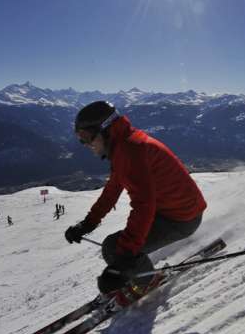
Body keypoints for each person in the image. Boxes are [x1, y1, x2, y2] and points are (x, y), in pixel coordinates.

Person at [65, 101, 207, 300]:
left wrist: (123, 259)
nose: (86, 145)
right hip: (176, 210)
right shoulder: (125, 146)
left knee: (114, 248)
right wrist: (87, 224)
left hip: (181, 218)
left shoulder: (130, 151)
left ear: (105, 130)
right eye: (81, 138)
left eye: (87, 137)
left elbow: (143, 206)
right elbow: (112, 190)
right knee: (116, 248)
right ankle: (141, 276)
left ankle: (147, 283)